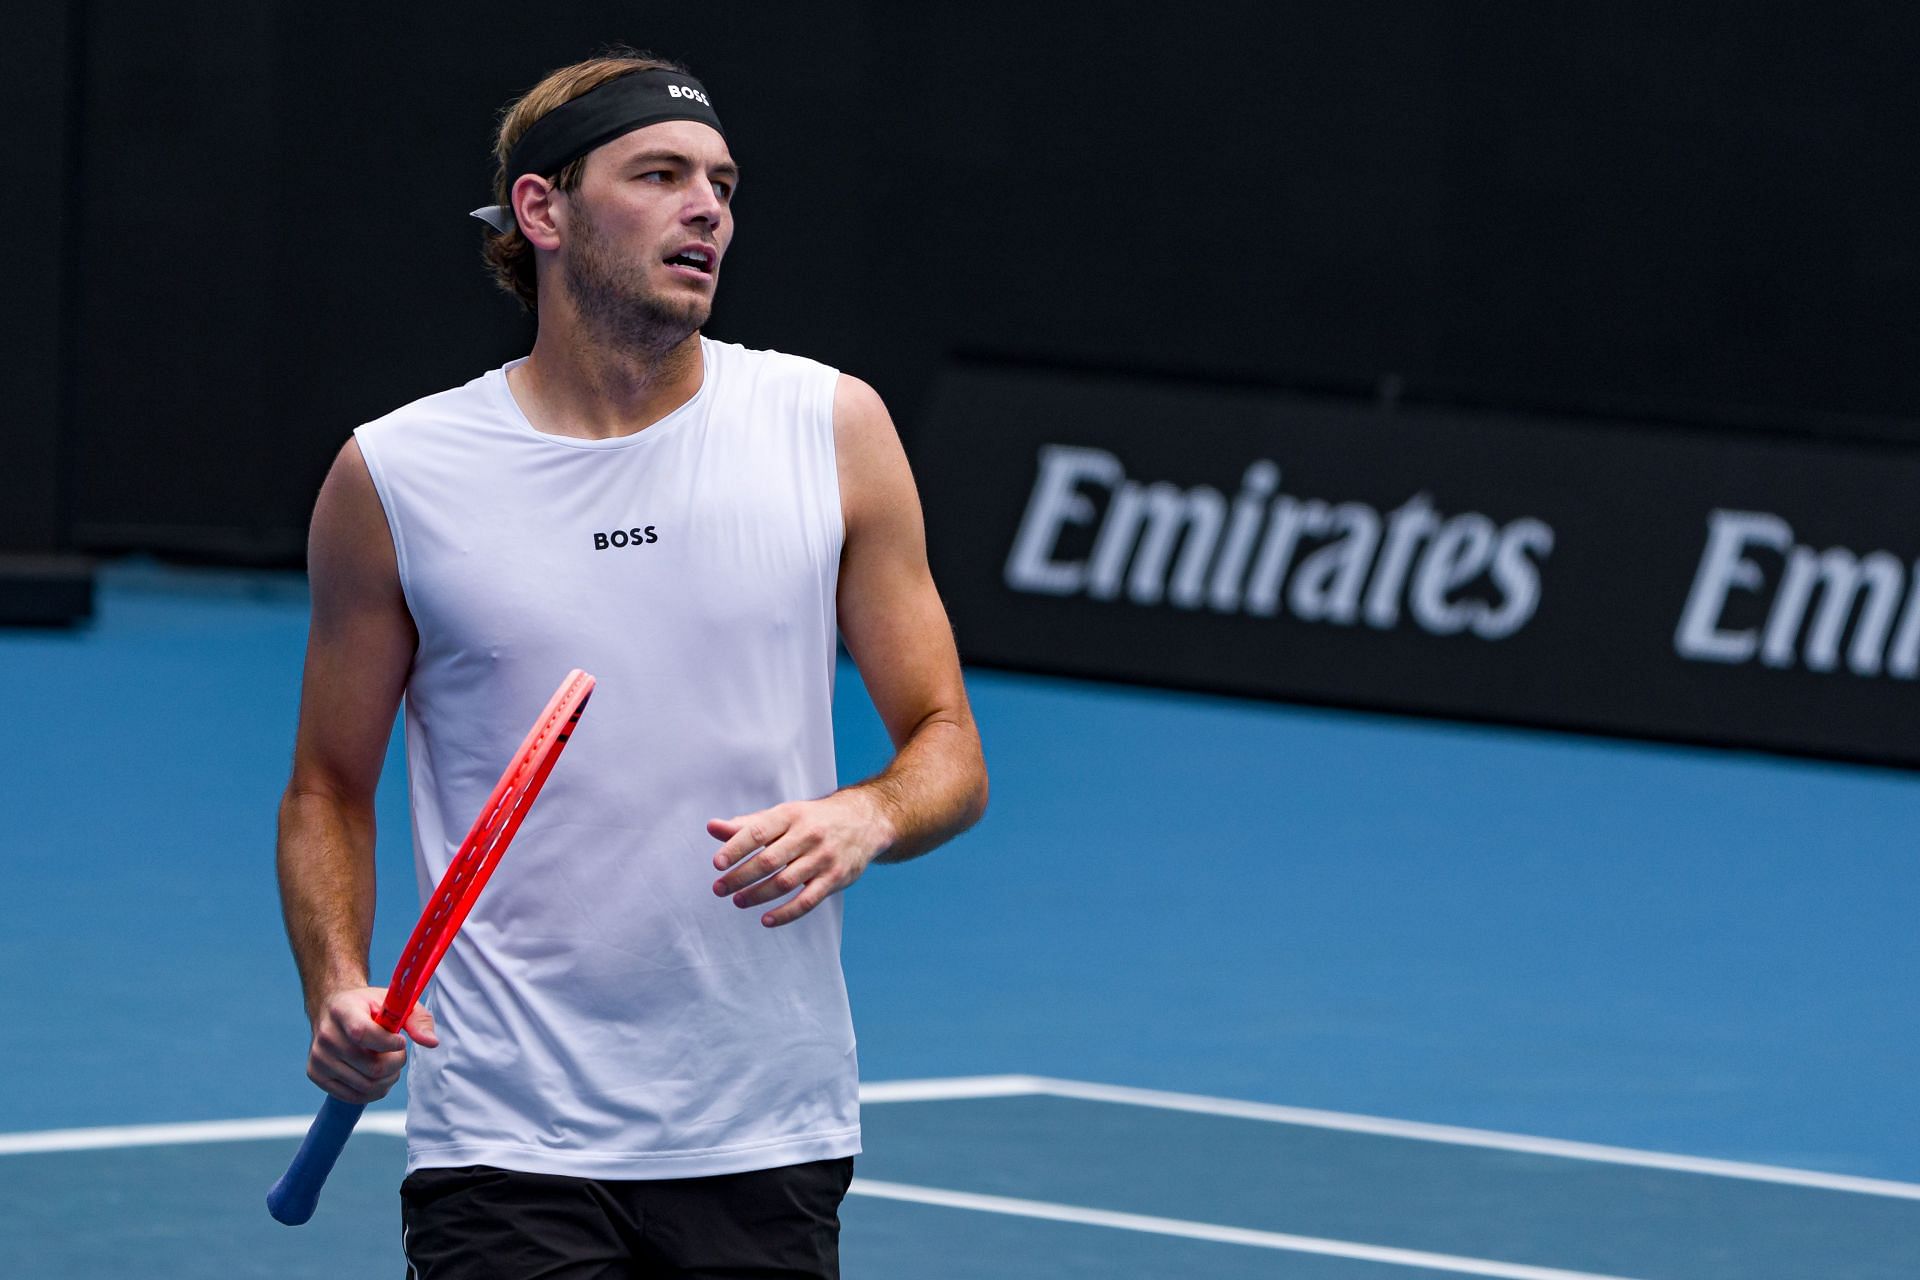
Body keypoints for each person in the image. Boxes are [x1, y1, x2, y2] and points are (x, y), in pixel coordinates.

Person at [275, 49, 988, 1279]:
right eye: (658, 174)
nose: (705, 206)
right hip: (503, 1129)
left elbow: (949, 744)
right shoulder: (395, 476)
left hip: (762, 1118)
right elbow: (327, 788)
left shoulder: (830, 429)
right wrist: (337, 978)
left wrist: (865, 813)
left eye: (720, 181)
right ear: (542, 212)